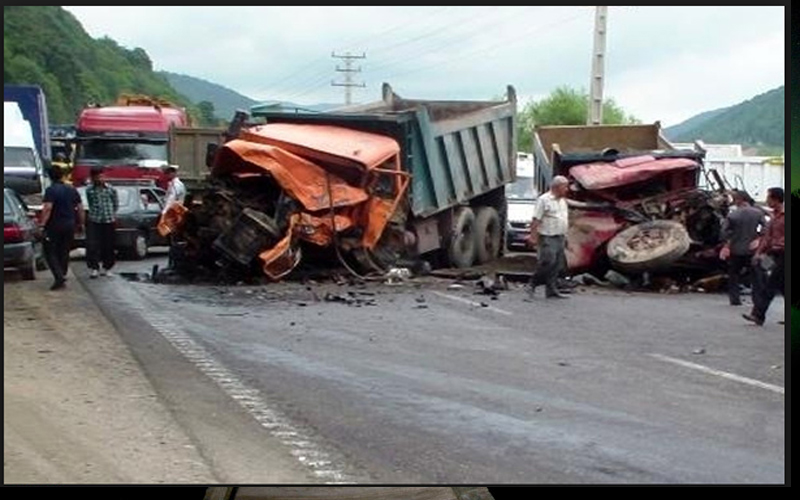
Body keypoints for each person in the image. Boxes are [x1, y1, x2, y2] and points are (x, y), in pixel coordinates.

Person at [743, 187, 784, 326]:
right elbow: (767, 237)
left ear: (775, 199)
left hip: (783, 254)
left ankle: (758, 315)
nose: (767, 200)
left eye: (769, 198)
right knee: (782, 285)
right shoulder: (774, 216)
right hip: (773, 254)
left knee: (770, 285)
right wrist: (759, 253)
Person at [39, 164, 84, 290]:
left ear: (50, 177)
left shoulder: (51, 190)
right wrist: (81, 223)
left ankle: (59, 276)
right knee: (64, 251)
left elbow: (48, 208)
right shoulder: (71, 189)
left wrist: (42, 224)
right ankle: (62, 274)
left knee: (50, 251)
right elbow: (80, 208)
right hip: (69, 224)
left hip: (54, 225)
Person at [525, 175, 571, 299]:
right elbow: (536, 219)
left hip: (560, 236)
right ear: (557, 187)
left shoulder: (562, 201)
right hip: (547, 236)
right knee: (547, 262)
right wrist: (533, 236)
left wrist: (566, 237)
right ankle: (532, 283)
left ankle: (551, 289)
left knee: (557, 264)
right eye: (565, 187)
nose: (567, 189)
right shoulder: (544, 200)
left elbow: (563, 219)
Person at [721, 190, 766, 306]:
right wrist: (758, 239)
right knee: (756, 276)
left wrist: (727, 245)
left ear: (739, 200)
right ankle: (758, 300)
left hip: (736, 249)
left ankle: (735, 299)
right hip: (752, 250)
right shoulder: (758, 213)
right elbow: (766, 229)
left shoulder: (732, 215)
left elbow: (724, 233)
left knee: (734, 275)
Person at [85, 166, 119, 278]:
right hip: (95, 220)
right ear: (93, 178)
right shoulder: (90, 190)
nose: (100, 179)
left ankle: (107, 267)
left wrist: (112, 214)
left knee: (108, 245)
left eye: (101, 176)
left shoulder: (110, 189)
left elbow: (115, 203)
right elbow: (90, 203)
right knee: (93, 245)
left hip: (108, 220)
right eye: (97, 177)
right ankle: (94, 268)